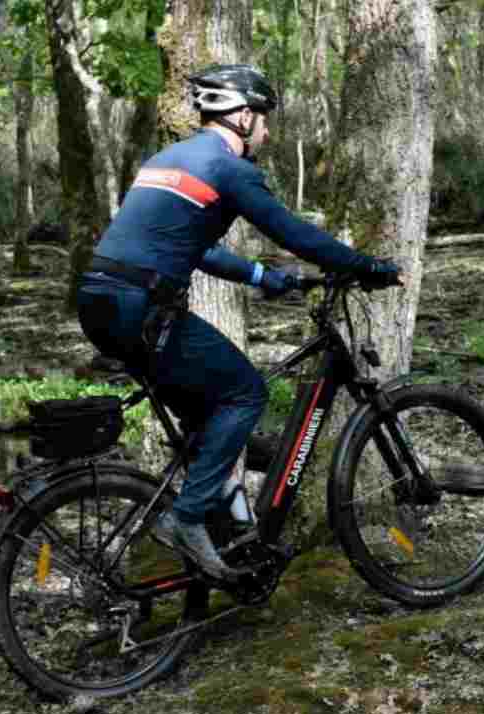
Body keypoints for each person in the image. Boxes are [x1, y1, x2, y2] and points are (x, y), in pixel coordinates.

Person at [76, 64, 400, 581]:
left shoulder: (168, 159)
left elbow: (192, 246)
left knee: (208, 415)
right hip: (141, 308)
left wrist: (262, 276)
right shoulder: (230, 168)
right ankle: (185, 519)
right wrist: (367, 266)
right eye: (264, 120)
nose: (267, 132)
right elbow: (292, 231)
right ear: (242, 115)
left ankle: (221, 534)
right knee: (245, 392)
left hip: (100, 301)